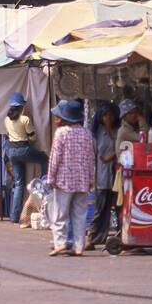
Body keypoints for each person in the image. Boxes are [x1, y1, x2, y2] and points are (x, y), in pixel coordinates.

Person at [45, 99, 95, 257]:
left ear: (64, 118)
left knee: (59, 214)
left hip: (64, 181)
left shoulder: (61, 133)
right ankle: (79, 246)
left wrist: (50, 178)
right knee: (79, 216)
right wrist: (91, 180)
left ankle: (60, 243)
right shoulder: (86, 133)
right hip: (82, 181)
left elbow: (54, 158)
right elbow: (91, 158)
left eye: (57, 116)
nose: (55, 119)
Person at [3, 91, 47, 224]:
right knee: (45, 159)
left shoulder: (6, 120)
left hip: (12, 152)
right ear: (21, 107)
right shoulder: (25, 119)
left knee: (19, 184)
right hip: (23, 149)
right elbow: (33, 137)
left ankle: (14, 216)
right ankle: (44, 183)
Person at [87, 105, 119, 248]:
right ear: (100, 117)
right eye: (105, 115)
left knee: (113, 207)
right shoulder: (97, 133)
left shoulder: (116, 131)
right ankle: (91, 237)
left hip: (115, 174)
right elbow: (94, 155)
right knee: (100, 207)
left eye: (110, 115)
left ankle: (105, 236)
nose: (108, 118)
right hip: (101, 174)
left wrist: (112, 156)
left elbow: (120, 148)